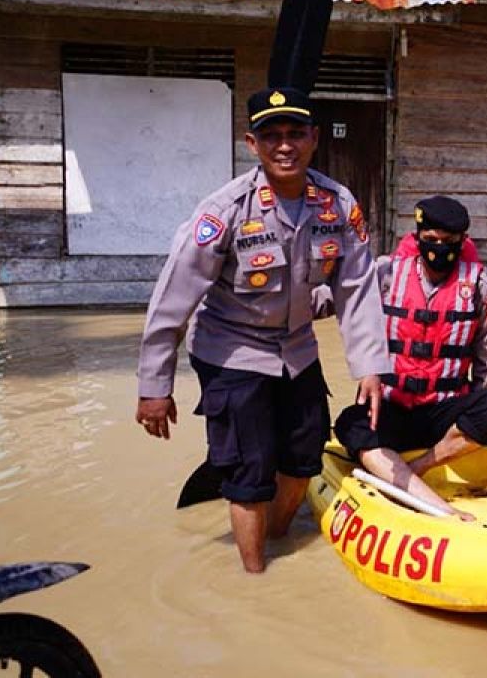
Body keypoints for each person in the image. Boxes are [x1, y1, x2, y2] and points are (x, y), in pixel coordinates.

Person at [134, 86, 388, 573]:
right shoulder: (224, 212)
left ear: (315, 139)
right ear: (253, 144)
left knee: (303, 458)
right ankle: (255, 578)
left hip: (297, 350)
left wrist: (371, 367)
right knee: (250, 471)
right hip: (231, 350)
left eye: (296, 133)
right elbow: (172, 302)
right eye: (272, 136)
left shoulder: (336, 205)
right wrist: (154, 387)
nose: (285, 145)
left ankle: (276, 539)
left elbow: (356, 288)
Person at [332, 196, 487, 520]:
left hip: (443, 411)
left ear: (463, 242)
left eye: (449, 242)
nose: (439, 248)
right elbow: (350, 308)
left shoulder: (479, 286)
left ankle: (411, 472)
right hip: (393, 406)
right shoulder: (386, 273)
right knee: (350, 423)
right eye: (430, 241)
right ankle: (442, 510)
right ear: (417, 238)